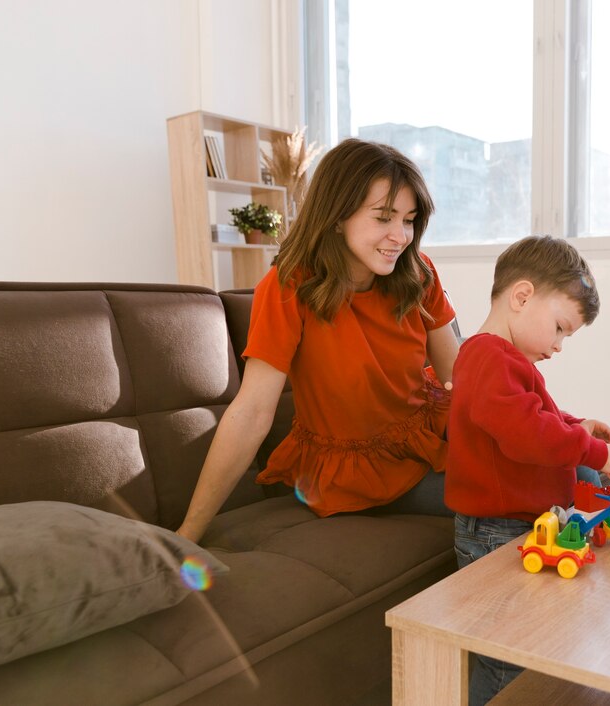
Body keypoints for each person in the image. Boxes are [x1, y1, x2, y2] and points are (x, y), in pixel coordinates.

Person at [176, 138, 459, 542]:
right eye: (383, 218)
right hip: (353, 472)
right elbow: (252, 412)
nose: (401, 236)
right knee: (516, 494)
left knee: (566, 470)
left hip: (423, 437)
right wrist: (188, 531)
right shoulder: (287, 286)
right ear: (337, 215)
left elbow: (461, 380)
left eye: (409, 220)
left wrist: (553, 428)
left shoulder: (418, 271)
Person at [443, 235, 610, 705]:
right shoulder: (488, 356)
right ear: (522, 296)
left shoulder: (501, 359)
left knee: (529, 641)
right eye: (559, 328)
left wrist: (578, 425)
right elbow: (527, 433)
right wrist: (595, 453)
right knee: (506, 653)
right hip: (495, 530)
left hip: (518, 524)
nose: (558, 346)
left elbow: (538, 415)